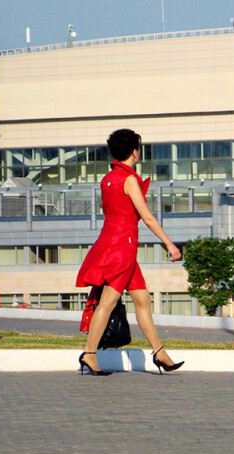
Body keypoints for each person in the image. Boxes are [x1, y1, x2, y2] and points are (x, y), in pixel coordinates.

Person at [76, 128, 185, 376]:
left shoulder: (107, 179)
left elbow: (114, 215)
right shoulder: (129, 180)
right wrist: (169, 243)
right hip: (122, 249)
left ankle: (159, 353)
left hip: (110, 244)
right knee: (108, 301)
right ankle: (90, 354)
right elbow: (146, 216)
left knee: (142, 300)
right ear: (135, 152)